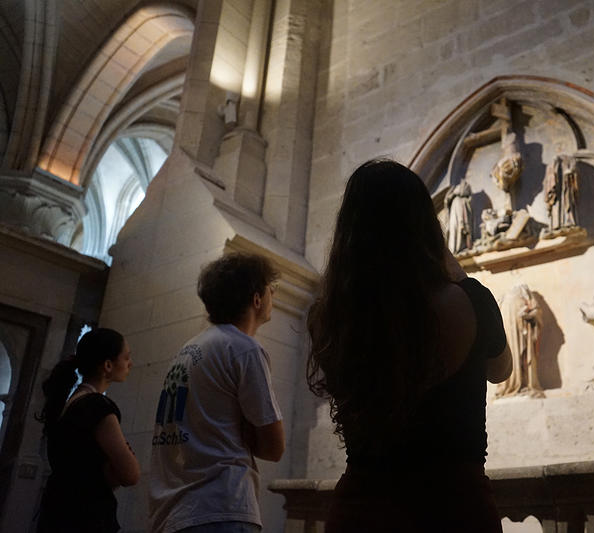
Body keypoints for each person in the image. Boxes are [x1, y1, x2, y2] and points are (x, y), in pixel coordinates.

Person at [307, 159, 512, 533]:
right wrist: (460, 273)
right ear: (425, 226)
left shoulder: (330, 317)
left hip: (361, 510)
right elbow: (501, 370)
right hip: (452, 508)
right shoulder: (469, 300)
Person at [149, 253, 284, 533]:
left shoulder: (188, 350)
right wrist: (247, 430)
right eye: (270, 288)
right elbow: (273, 447)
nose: (274, 294)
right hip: (221, 506)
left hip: (174, 511)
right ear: (257, 299)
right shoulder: (244, 349)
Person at [37, 328, 139, 533]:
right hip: (86, 517)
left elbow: (83, 468)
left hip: (58, 513)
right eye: (126, 357)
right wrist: (115, 465)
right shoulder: (97, 407)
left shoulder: (69, 404)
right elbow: (130, 474)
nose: (130, 364)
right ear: (108, 365)